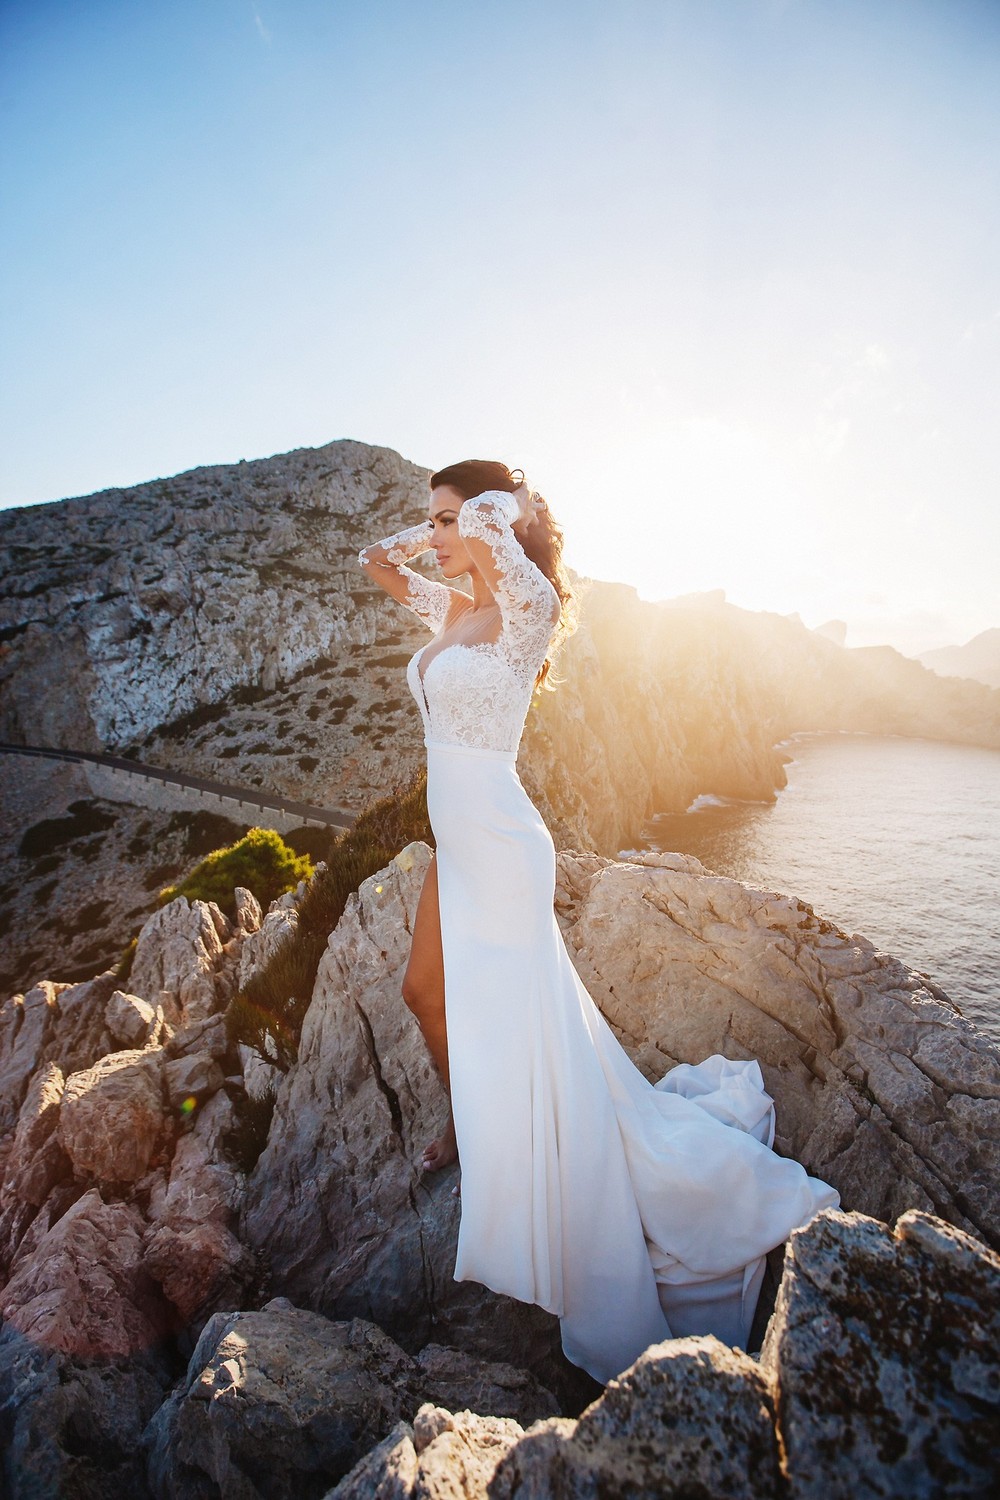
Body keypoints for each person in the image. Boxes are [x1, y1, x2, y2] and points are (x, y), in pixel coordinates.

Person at [358, 458, 840, 1386]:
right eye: (441, 520)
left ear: (500, 523)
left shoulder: (526, 616)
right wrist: (433, 534)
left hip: (499, 845)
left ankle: (525, 1149)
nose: (445, 535)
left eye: (458, 520)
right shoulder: (454, 615)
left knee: (529, 1027)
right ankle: (471, 1119)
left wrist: (491, 515)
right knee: (425, 993)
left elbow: (503, 551)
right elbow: (376, 562)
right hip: (454, 845)